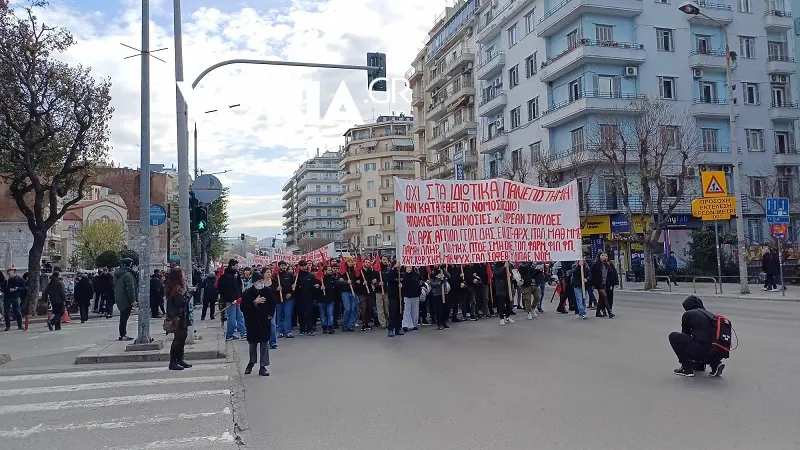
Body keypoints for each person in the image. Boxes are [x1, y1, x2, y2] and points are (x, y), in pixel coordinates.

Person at [668, 296, 726, 377]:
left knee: (674, 337)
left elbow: (685, 334)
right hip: (717, 352)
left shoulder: (688, 314)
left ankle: (686, 369)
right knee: (703, 340)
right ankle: (715, 365)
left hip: (702, 351)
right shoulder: (711, 315)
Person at [240, 271, 274, 376]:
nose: (260, 282)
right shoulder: (247, 293)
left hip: (264, 321)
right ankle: (251, 362)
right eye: (258, 281)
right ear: (254, 282)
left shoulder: (268, 291)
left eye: (261, 280)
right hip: (252, 322)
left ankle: (263, 366)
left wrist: (269, 316)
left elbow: (272, 305)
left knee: (264, 344)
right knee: (252, 344)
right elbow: (243, 308)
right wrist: (254, 302)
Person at [165, 267, 192, 371]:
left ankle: (180, 359)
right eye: (182, 274)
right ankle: (173, 362)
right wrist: (190, 293)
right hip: (178, 317)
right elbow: (181, 302)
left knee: (182, 337)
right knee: (178, 339)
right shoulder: (176, 288)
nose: (184, 276)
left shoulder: (175, 287)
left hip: (180, 316)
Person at [219, 259, 246, 340]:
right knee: (232, 318)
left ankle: (243, 332)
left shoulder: (235, 275)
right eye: (236, 266)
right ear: (232, 266)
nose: (238, 267)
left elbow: (237, 288)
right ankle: (229, 335)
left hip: (237, 299)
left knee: (240, 316)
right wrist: (232, 299)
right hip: (231, 300)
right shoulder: (227, 277)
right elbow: (227, 290)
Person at [113, 258, 138, 341]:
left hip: (120, 297)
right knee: (124, 318)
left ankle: (122, 334)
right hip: (126, 299)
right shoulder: (127, 274)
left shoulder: (119, 273)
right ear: (130, 264)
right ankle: (123, 334)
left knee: (123, 317)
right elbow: (130, 288)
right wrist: (133, 300)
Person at [294, 260, 320, 336]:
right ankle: (302, 330)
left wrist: (317, 286)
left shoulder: (310, 275)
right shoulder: (296, 276)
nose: (303, 267)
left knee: (309, 313)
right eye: (302, 266)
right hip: (299, 298)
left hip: (309, 298)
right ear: (299, 266)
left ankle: (310, 329)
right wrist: (294, 287)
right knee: (301, 314)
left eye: (305, 265)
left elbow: (315, 285)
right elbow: (293, 287)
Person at [273, 260, 295, 338]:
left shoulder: (290, 274)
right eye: (281, 265)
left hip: (289, 298)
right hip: (279, 299)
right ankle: (281, 331)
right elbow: (272, 287)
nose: (283, 267)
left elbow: (294, 285)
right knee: (280, 315)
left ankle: (288, 331)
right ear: (278, 266)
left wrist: (290, 293)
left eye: (284, 265)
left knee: (288, 314)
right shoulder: (275, 276)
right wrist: (276, 288)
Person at [590, 252, 615, 319]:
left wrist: (611, 283)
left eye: (605, 255)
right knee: (605, 296)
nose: (604, 257)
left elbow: (611, 274)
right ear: (599, 256)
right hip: (599, 284)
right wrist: (593, 284)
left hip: (605, 283)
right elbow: (592, 274)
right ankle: (609, 312)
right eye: (602, 255)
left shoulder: (607, 264)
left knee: (601, 299)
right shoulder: (595, 264)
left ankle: (598, 312)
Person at [383, 260, 404, 337]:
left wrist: (402, 285)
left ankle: (398, 328)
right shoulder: (390, 272)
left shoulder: (402, 272)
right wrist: (395, 269)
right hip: (393, 296)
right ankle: (390, 329)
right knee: (393, 312)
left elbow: (405, 281)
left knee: (400, 312)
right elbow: (389, 279)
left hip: (400, 296)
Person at [401, 265, 423, 332]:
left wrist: (420, 284)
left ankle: (414, 324)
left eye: (410, 267)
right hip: (406, 295)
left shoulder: (417, 275)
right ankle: (406, 325)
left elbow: (420, 283)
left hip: (415, 294)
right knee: (407, 310)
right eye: (408, 267)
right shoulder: (403, 275)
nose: (409, 268)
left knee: (415, 310)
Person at [428, 266, 450, 330]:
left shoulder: (443, 271)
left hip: (444, 292)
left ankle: (444, 322)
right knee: (438, 310)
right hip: (437, 293)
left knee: (445, 308)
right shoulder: (433, 273)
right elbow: (431, 283)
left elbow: (449, 276)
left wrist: (443, 269)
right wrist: (439, 283)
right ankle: (439, 323)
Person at [319, 265, 337, 334]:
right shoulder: (320, 279)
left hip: (330, 299)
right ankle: (324, 327)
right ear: (324, 271)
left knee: (330, 314)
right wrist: (320, 288)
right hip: (321, 299)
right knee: (323, 314)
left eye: (330, 270)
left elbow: (334, 286)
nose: (330, 271)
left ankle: (330, 326)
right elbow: (315, 288)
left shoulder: (332, 278)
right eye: (329, 270)